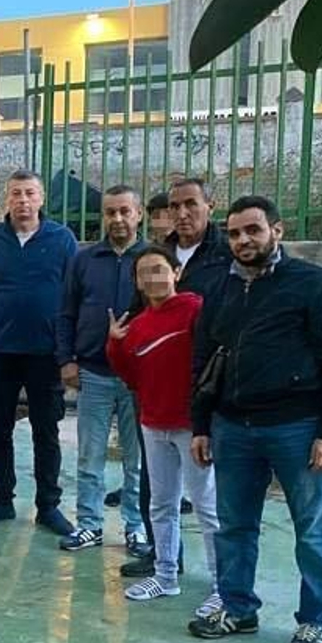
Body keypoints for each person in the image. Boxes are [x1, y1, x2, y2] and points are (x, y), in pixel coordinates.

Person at [188, 197, 322, 643]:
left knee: (313, 529)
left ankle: (316, 622)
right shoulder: (221, 289)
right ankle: (237, 608)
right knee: (234, 526)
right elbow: (205, 361)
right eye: (234, 233)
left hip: (298, 429)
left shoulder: (314, 285)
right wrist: (202, 425)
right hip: (233, 428)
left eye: (253, 230)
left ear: (277, 231)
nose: (243, 240)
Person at [121, 177, 233, 581]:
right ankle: (164, 561)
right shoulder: (158, 253)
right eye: (174, 206)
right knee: (159, 490)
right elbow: (138, 316)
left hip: (207, 392)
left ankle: (225, 579)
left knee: (209, 496)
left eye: (191, 204)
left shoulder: (227, 254)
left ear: (210, 206)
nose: (182, 213)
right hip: (157, 394)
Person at [0, 170, 79, 531]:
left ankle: (48, 506)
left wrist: (69, 353)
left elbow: (74, 297)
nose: (23, 200)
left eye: (29, 193)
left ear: (41, 198)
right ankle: (1, 499)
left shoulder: (62, 239)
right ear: (7, 199)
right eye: (16, 193)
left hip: (46, 353)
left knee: (46, 431)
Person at [104, 249, 222, 617]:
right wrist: (114, 342)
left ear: (176, 272)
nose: (152, 278)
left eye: (159, 269)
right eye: (144, 273)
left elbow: (213, 362)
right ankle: (166, 575)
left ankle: (224, 587)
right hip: (154, 425)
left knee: (207, 507)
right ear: (137, 282)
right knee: (162, 504)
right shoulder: (137, 325)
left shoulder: (196, 310)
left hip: (193, 427)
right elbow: (131, 376)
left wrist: (206, 420)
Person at [56, 184, 147, 554]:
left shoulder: (153, 260)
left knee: (136, 459)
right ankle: (90, 524)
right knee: (89, 455)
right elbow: (66, 312)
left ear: (139, 214)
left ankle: (136, 526)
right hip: (93, 372)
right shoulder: (85, 260)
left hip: (139, 378)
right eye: (111, 212)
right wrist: (66, 359)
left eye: (125, 211)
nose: (118, 219)